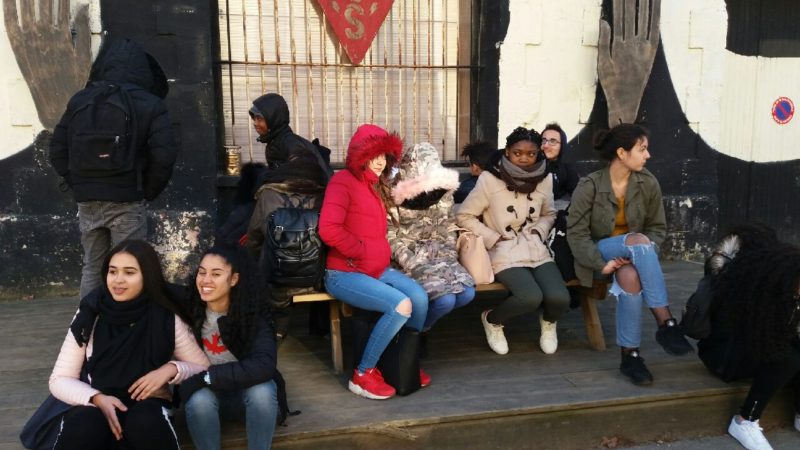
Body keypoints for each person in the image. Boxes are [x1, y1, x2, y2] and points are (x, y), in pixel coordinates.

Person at [47, 240, 209, 449]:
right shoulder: (91, 313)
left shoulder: (165, 315)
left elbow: (203, 367)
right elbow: (60, 379)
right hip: (98, 401)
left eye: (129, 272)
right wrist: (96, 398)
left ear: (147, 276)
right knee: (84, 426)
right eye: (112, 271)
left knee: (145, 423)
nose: (118, 280)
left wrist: (171, 369)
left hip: (148, 403)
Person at [50, 38, 179, 299]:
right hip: (127, 199)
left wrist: (80, 184)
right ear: (143, 70)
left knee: (92, 266)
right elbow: (164, 156)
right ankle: (127, 320)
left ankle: (87, 321)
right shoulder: (150, 103)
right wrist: (145, 191)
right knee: (131, 267)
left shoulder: (80, 100)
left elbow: (57, 151)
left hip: (87, 200)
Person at [567, 123, 693, 387]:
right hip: (600, 253)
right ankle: (665, 320)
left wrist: (640, 255)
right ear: (622, 153)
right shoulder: (589, 185)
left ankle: (630, 356)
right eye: (642, 149)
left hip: (635, 255)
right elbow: (576, 235)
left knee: (629, 276)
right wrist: (601, 264)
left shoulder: (648, 182)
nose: (648, 155)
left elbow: (657, 229)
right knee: (637, 239)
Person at [319, 124, 429, 400]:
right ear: (360, 156)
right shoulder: (342, 182)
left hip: (376, 269)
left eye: (384, 156)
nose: (380, 162)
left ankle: (402, 361)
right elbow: (328, 228)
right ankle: (363, 373)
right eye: (374, 156)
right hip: (344, 272)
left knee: (419, 298)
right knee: (401, 305)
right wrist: (358, 250)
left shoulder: (375, 185)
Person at [456, 127, 570, 355]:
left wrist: (539, 231)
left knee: (560, 299)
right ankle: (492, 320)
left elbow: (549, 213)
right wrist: (493, 237)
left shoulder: (545, 178)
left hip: (535, 246)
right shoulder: (489, 179)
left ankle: (548, 322)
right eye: (518, 153)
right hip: (503, 248)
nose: (524, 159)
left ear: (538, 153)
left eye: (531, 154)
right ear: (507, 151)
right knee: (529, 297)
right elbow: (464, 216)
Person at [695, 225, 800, 450]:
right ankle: (745, 421)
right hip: (725, 357)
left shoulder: (789, 291)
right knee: (788, 358)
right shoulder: (759, 296)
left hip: (752, 352)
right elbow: (771, 343)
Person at [180, 245, 284, 450]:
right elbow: (155, 286)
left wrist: (207, 376)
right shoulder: (191, 306)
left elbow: (264, 365)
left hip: (245, 393)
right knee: (199, 400)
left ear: (234, 279)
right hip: (210, 397)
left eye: (216, 274)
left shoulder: (252, 315)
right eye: (202, 272)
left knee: (262, 391)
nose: (206, 280)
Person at [247, 92, 331, 341]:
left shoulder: (288, 147)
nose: (256, 124)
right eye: (254, 118)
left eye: (260, 118)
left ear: (274, 118)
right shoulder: (279, 142)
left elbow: (305, 165)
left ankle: (276, 323)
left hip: (296, 244)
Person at [388, 142, 476, 349]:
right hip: (409, 258)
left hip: (440, 254)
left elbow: (448, 226)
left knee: (467, 294)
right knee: (445, 301)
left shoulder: (442, 191)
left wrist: (449, 253)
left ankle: (420, 327)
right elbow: (388, 235)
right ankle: (413, 334)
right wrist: (410, 261)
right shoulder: (393, 194)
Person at [540, 123, 581, 305]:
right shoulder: (530, 166)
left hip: (556, 219)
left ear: (561, 145)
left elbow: (579, 195)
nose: (546, 145)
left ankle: (569, 287)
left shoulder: (566, 169)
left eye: (553, 141)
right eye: (543, 140)